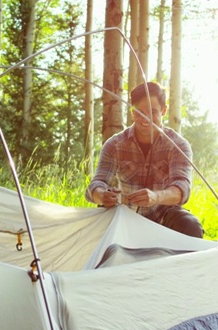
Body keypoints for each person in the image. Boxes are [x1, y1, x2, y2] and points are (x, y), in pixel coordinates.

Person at [86, 82, 204, 238]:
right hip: (124, 216)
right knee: (98, 220)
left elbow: (182, 189)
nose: (145, 118)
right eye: (139, 112)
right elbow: (96, 185)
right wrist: (102, 195)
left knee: (190, 225)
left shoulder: (178, 145)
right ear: (132, 111)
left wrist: (156, 197)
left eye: (152, 111)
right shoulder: (115, 145)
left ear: (163, 111)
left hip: (163, 215)